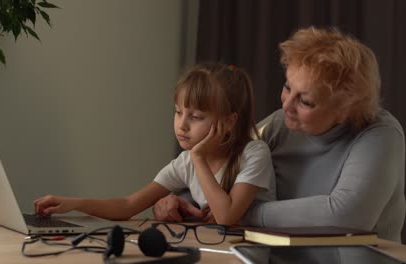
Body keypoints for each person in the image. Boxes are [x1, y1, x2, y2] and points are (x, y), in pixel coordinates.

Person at [152, 27, 406, 242]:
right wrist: (177, 202)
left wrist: (246, 212)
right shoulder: (279, 124)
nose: (286, 105)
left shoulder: (380, 135)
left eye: (305, 101)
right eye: (287, 87)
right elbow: (222, 173)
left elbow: (346, 216)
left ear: (344, 110)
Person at [34, 63, 276, 226]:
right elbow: (128, 205)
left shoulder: (253, 153)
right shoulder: (186, 162)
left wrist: (199, 157)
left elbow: (226, 217)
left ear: (229, 122)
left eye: (195, 117)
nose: (182, 125)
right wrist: (72, 204)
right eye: (178, 112)